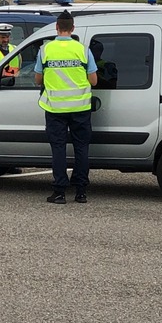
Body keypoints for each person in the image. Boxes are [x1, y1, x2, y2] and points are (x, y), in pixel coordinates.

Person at [34, 11, 98, 204]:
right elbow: (93, 81)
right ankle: (81, 192)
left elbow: (38, 80)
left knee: (58, 149)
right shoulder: (83, 50)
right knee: (81, 148)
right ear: (72, 29)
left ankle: (60, 192)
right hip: (80, 109)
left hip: (55, 110)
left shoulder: (46, 50)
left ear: (56, 27)